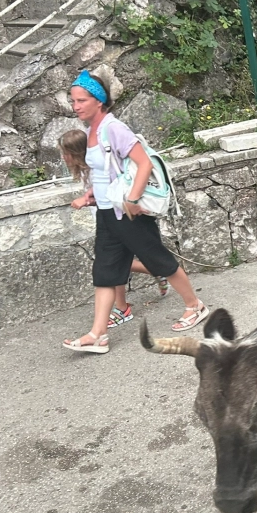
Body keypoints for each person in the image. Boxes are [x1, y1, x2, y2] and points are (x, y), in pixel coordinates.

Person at [62, 70, 209, 354]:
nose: (76, 106)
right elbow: (107, 173)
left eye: (82, 100)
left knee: (158, 261)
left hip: (129, 212)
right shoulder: (92, 130)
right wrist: (93, 195)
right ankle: (98, 335)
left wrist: (131, 198)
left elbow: (143, 164)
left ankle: (195, 306)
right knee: (104, 272)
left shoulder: (113, 128)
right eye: (73, 101)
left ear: (99, 101)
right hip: (108, 213)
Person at [58, 130, 170, 331]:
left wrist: (85, 200)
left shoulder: (98, 168)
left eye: (65, 153)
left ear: (75, 153)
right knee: (115, 264)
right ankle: (157, 272)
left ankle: (123, 308)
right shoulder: (90, 170)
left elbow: (111, 193)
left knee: (113, 265)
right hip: (107, 220)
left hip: (118, 218)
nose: (63, 158)